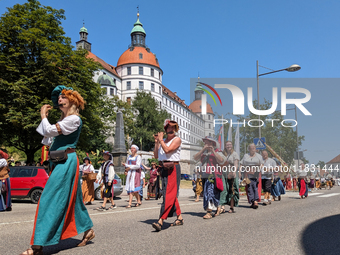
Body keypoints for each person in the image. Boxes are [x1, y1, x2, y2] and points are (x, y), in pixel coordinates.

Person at [21, 85, 94, 255]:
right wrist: (49, 124)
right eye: (59, 98)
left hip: (66, 161)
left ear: (72, 101)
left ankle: (37, 246)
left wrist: (43, 116)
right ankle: (88, 229)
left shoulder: (74, 119)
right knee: (73, 200)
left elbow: (47, 131)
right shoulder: (63, 121)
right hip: (59, 161)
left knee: (48, 199)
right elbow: (46, 139)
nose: (59, 99)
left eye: (63, 97)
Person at [152, 119, 183, 231]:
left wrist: (161, 140)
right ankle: (179, 217)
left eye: (173, 128)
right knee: (170, 194)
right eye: (169, 128)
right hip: (164, 168)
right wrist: (157, 142)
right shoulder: (163, 141)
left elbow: (168, 150)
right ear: (166, 129)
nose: (171, 129)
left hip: (172, 168)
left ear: (175, 129)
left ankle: (161, 220)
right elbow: (156, 155)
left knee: (168, 194)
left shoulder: (177, 139)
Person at [193, 136, 225, 219]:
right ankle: (218, 207)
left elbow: (221, 160)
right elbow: (195, 158)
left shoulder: (218, 151)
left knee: (210, 193)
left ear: (211, 143)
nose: (205, 143)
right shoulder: (204, 153)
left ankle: (209, 212)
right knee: (208, 193)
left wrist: (213, 151)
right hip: (204, 175)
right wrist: (203, 150)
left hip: (213, 175)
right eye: (205, 142)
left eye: (207, 142)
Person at [240, 143, 263, 209]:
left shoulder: (259, 156)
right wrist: (239, 172)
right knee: (249, 188)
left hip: (256, 173)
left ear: (255, 149)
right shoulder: (245, 156)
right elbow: (242, 164)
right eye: (251, 148)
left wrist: (258, 170)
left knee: (255, 187)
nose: (253, 149)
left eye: (254, 147)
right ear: (249, 149)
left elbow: (262, 164)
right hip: (247, 173)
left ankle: (255, 201)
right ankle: (252, 201)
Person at [219, 141, 240, 213]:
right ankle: (222, 206)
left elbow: (236, 164)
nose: (228, 146)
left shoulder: (234, 154)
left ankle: (231, 207)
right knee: (223, 189)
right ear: (225, 146)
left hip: (231, 172)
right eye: (227, 145)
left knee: (232, 189)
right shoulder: (222, 154)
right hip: (224, 173)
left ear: (232, 146)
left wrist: (234, 171)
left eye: (230, 145)